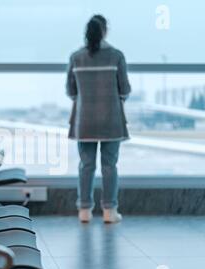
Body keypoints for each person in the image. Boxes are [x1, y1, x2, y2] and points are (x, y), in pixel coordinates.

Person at [66, 15, 131, 224]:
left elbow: (70, 90)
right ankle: (109, 211)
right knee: (109, 166)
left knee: (86, 166)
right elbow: (125, 89)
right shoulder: (116, 56)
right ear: (105, 31)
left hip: (84, 121)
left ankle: (84, 210)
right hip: (111, 119)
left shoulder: (76, 57)